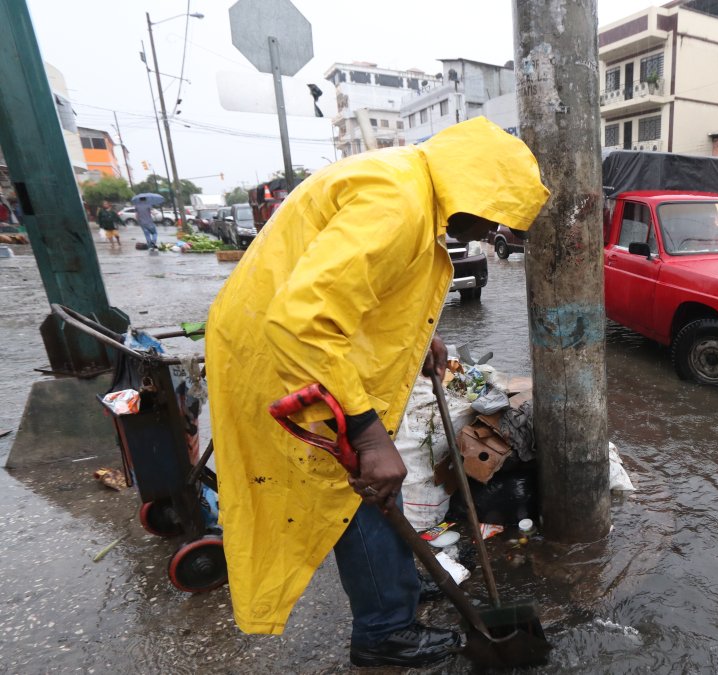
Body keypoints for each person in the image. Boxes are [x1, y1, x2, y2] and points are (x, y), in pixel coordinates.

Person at [205, 117, 549, 668]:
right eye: (491, 218)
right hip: (287, 360)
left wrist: (421, 334)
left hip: (306, 350)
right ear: (473, 188)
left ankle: (397, 589)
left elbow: (366, 286)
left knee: (370, 490)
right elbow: (303, 320)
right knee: (360, 492)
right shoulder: (398, 201)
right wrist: (367, 435)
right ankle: (384, 631)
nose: (487, 232)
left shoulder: (408, 183)